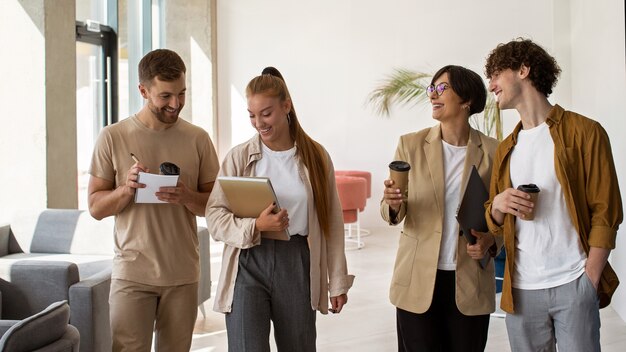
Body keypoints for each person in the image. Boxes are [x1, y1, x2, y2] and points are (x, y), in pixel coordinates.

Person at [484, 38, 623, 352]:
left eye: (496, 73)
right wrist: (498, 205)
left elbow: (606, 210)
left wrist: (589, 279)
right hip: (520, 291)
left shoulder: (585, 132)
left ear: (523, 69)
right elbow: (493, 221)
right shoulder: (506, 148)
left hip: (574, 282)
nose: (490, 83)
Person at [206, 67, 354, 352]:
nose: (258, 122)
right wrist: (255, 227)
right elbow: (215, 216)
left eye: (266, 113)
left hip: (296, 260)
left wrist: (337, 282)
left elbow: (332, 223)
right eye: (252, 114)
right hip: (247, 261)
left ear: (286, 106)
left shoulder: (316, 156)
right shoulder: (238, 157)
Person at [88, 48, 220, 351]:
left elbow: (217, 206)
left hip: (182, 273)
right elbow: (95, 207)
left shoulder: (198, 139)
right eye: (165, 96)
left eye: (182, 94)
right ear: (143, 90)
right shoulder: (113, 136)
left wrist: (187, 196)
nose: (176, 104)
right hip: (132, 273)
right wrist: (125, 190)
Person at [381, 65, 501, 352]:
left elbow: (505, 217)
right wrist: (393, 203)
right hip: (418, 279)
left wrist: (491, 241)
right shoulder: (410, 145)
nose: (433, 95)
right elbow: (392, 211)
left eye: (442, 88)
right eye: (431, 89)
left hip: (469, 281)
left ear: (466, 100)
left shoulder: (495, 151)